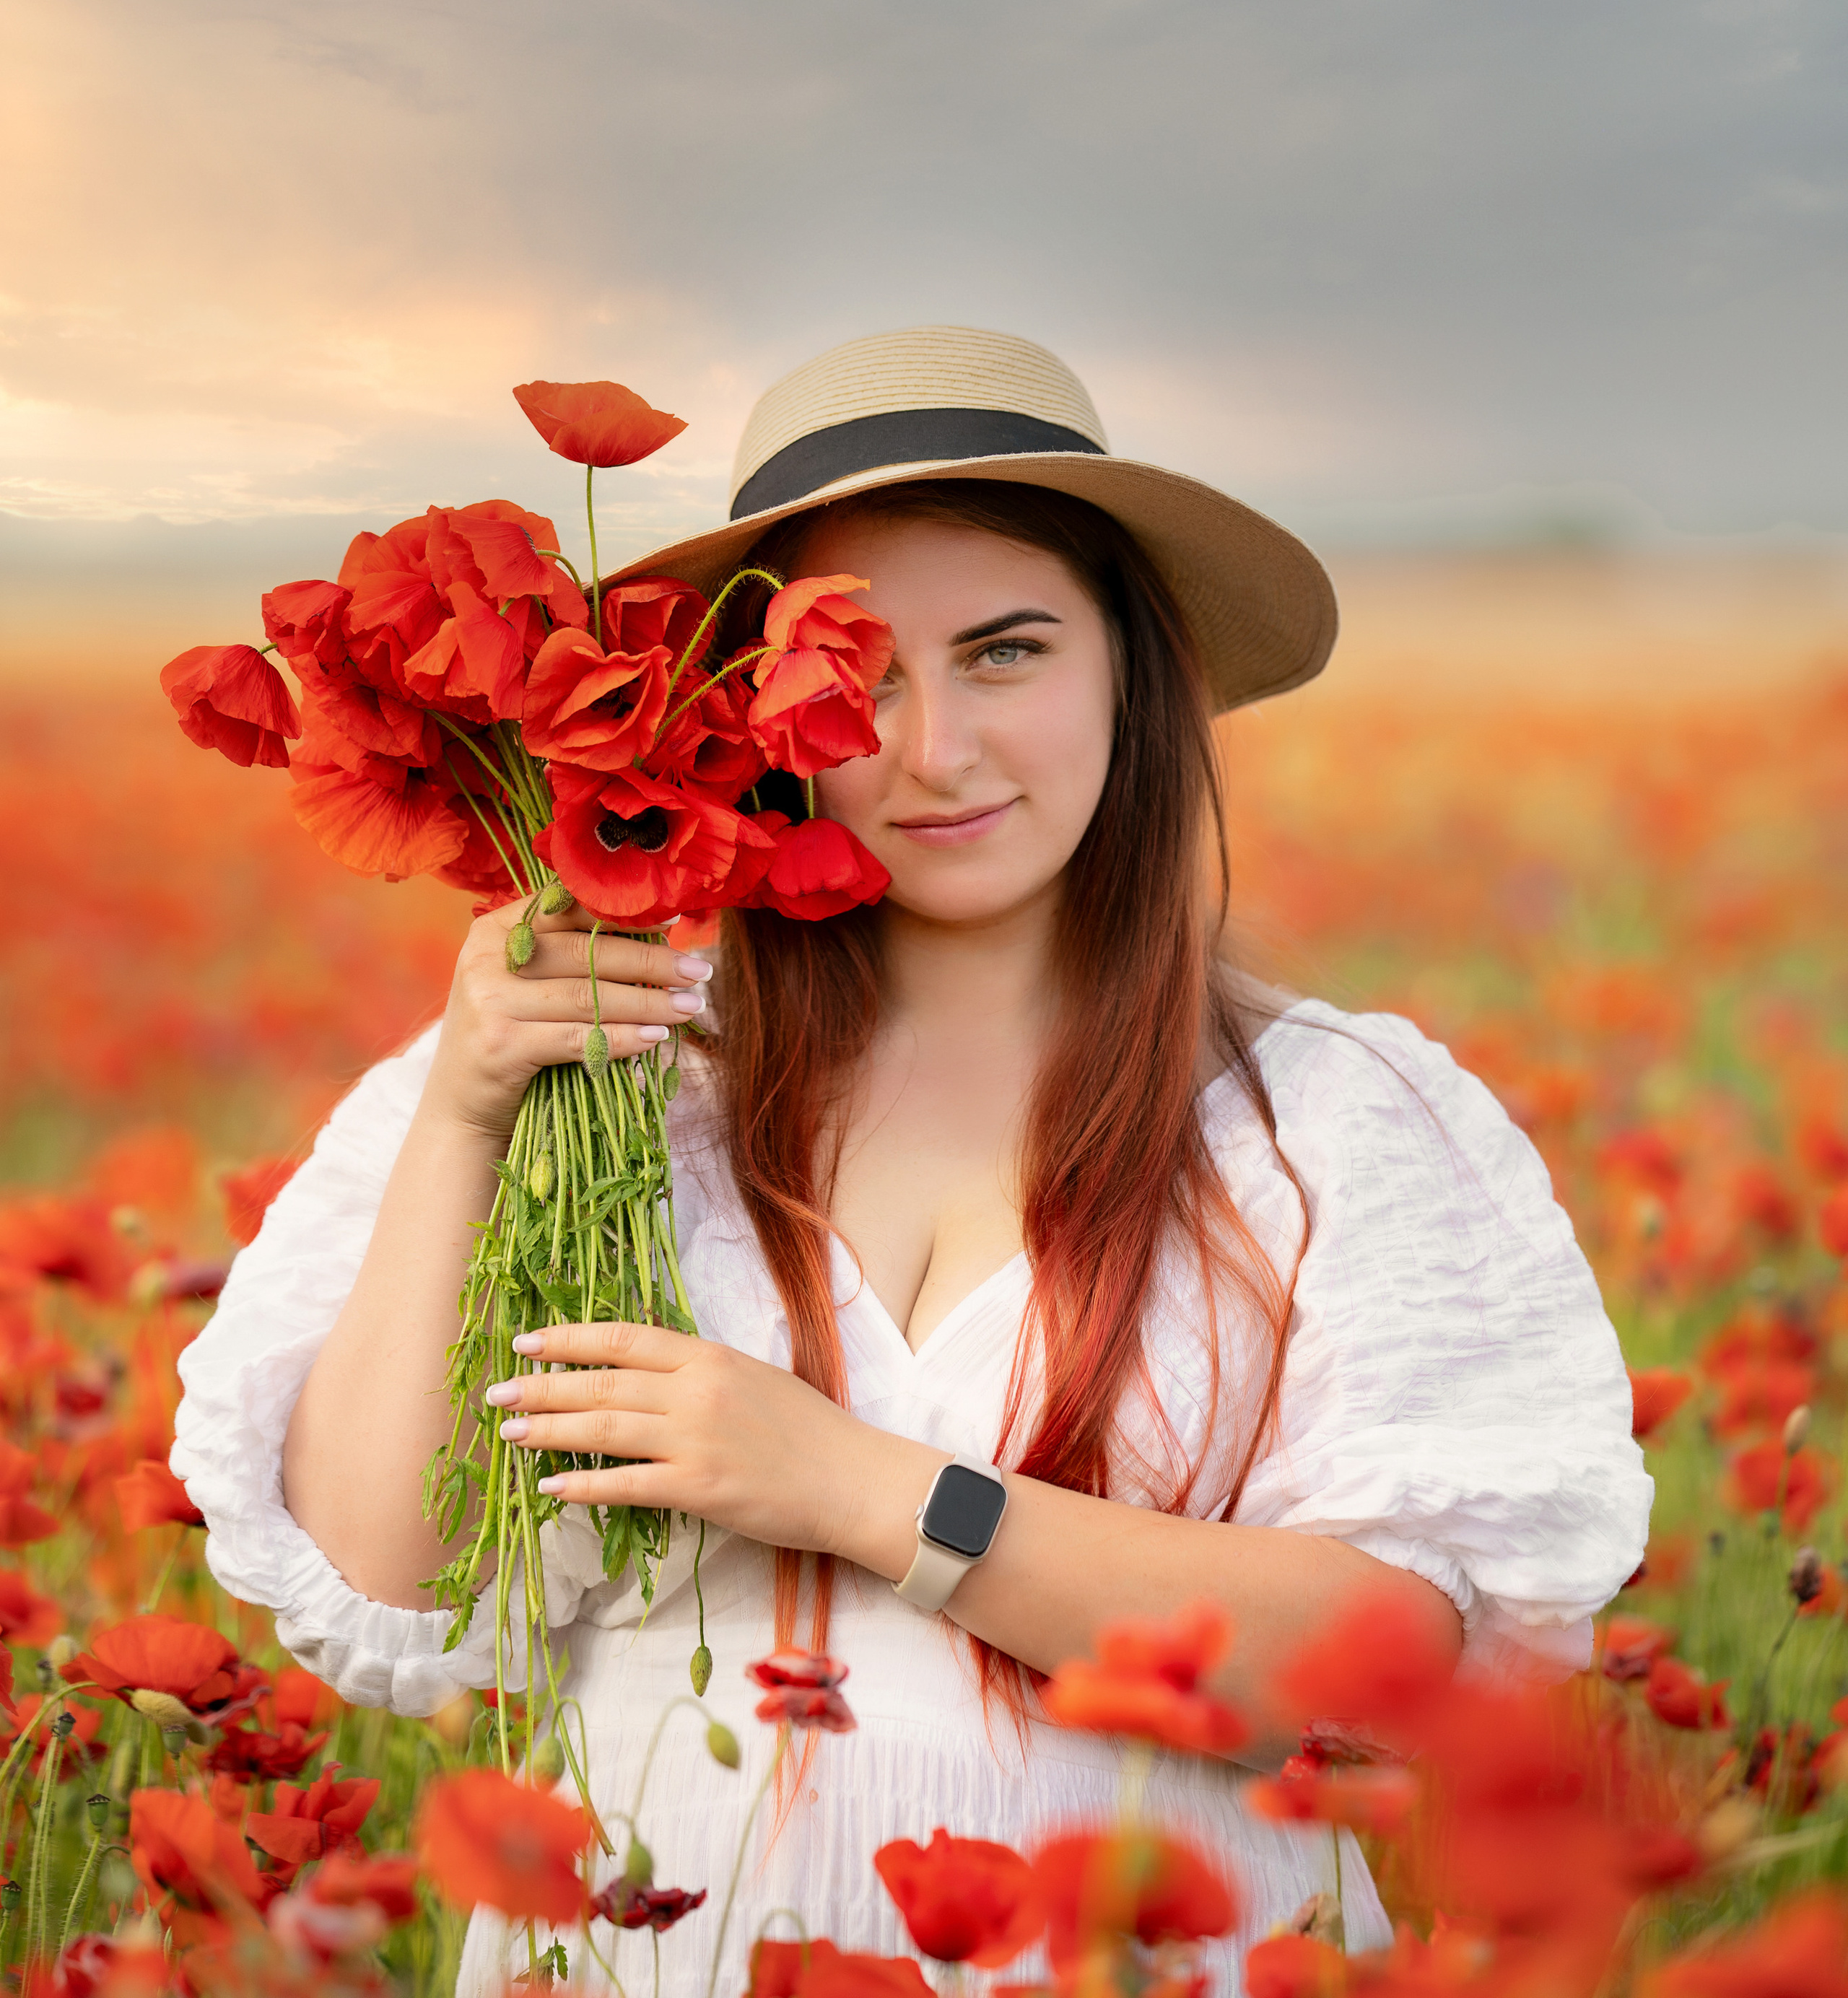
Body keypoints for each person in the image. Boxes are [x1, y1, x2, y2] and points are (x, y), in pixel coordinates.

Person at [174, 325, 1649, 1991]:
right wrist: (461, 1110)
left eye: (1006, 652)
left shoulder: (1331, 1120)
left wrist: (857, 1491)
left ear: (1126, 672)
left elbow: (1382, 1665)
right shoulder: (597, 1094)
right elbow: (392, 1580)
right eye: (854, 673)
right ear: (740, 717)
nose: (930, 747)